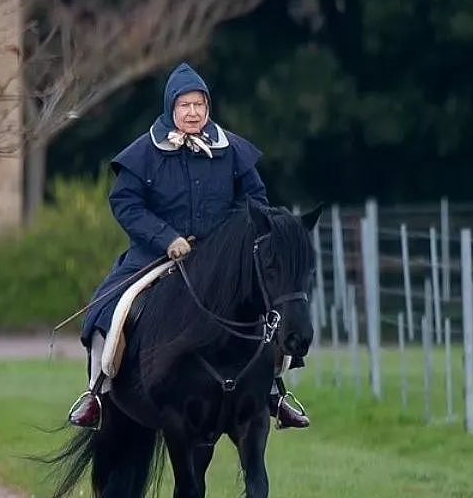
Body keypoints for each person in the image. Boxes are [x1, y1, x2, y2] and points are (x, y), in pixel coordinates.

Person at [68, 62, 309, 431]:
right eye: (185, 106)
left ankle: (274, 390)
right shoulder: (143, 153)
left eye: (199, 105)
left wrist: (229, 243)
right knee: (107, 311)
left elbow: (255, 200)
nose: (193, 112)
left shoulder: (232, 150)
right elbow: (126, 203)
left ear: (208, 108)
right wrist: (166, 238)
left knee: (266, 308)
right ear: (171, 108)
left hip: (222, 262)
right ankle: (96, 394)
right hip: (155, 255)